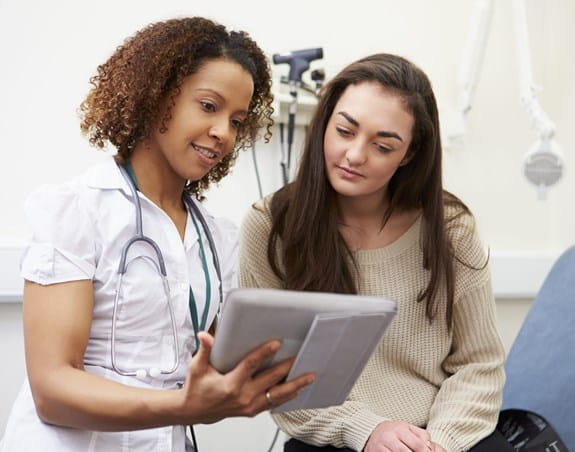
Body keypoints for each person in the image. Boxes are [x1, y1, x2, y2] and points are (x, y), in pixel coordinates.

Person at [0, 17, 314, 452]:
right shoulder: (77, 211)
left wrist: (258, 375)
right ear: (155, 96)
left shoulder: (215, 239)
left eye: (237, 121)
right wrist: (182, 406)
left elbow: (212, 364)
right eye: (208, 106)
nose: (223, 133)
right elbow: (53, 390)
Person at [238, 53, 509, 452]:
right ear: (325, 123)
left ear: (410, 154)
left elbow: (479, 364)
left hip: (443, 437)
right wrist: (367, 430)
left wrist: (437, 444)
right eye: (345, 131)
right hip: (337, 437)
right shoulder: (271, 225)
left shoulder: (450, 229)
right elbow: (276, 379)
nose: (355, 155)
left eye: (382, 146)